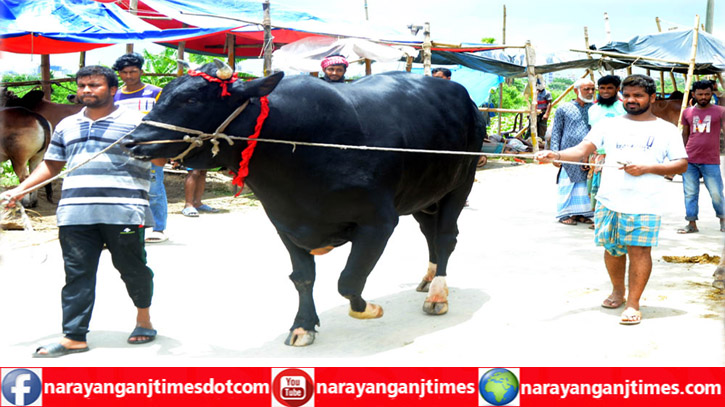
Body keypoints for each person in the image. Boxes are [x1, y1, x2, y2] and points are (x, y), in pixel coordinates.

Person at [0, 65, 167, 357]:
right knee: (77, 275)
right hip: (75, 212)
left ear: (113, 90)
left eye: (95, 85)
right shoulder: (67, 125)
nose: (86, 90)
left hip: (124, 212)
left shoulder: (137, 122)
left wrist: (159, 140)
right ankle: (74, 336)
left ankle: (144, 318)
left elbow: (160, 160)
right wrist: (20, 189)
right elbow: (52, 165)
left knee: (132, 269)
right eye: (82, 85)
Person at [536, 74, 688, 325]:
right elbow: (584, 149)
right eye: (627, 95)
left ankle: (633, 303)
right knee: (612, 249)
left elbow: (681, 164)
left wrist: (648, 168)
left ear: (652, 98)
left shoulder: (666, 129)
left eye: (638, 95)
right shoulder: (609, 124)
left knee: (639, 251)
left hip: (645, 202)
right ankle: (618, 291)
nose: (631, 100)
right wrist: (556, 153)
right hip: (609, 199)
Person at [112, 52, 168, 243]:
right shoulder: (115, 95)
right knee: (123, 189)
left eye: (133, 71)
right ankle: (128, 226)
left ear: (141, 71)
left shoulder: (155, 92)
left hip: (150, 148)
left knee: (153, 187)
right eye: (125, 72)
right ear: (119, 74)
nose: (129, 76)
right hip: (122, 149)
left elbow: (165, 120)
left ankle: (158, 228)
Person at [678, 80, 725, 234]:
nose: (704, 97)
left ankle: (723, 220)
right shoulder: (687, 112)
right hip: (690, 159)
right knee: (690, 192)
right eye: (700, 94)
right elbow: (685, 134)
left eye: (707, 93)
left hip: (710, 160)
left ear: (712, 93)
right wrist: (681, 156)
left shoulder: (720, 111)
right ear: (693, 94)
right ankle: (691, 223)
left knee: (716, 192)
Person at [550, 78, 596, 225]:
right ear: (576, 91)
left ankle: (581, 213)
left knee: (584, 184)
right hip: (567, 153)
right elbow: (556, 131)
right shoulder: (564, 108)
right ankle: (564, 214)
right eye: (586, 89)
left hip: (587, 154)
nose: (590, 92)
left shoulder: (595, 109)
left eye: (592, 89)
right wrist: (555, 154)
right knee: (567, 183)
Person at [586, 75, 627, 222]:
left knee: (614, 188)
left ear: (617, 89)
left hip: (616, 156)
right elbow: (590, 132)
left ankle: (614, 218)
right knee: (596, 188)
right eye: (602, 88)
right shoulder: (593, 109)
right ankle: (599, 218)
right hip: (596, 155)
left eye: (610, 88)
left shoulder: (624, 108)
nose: (605, 91)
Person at [535, 77, 553, 142]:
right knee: (533, 126)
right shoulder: (535, 93)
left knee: (542, 127)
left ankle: (542, 141)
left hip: (543, 111)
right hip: (535, 111)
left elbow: (549, 104)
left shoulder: (547, 93)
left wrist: (546, 114)